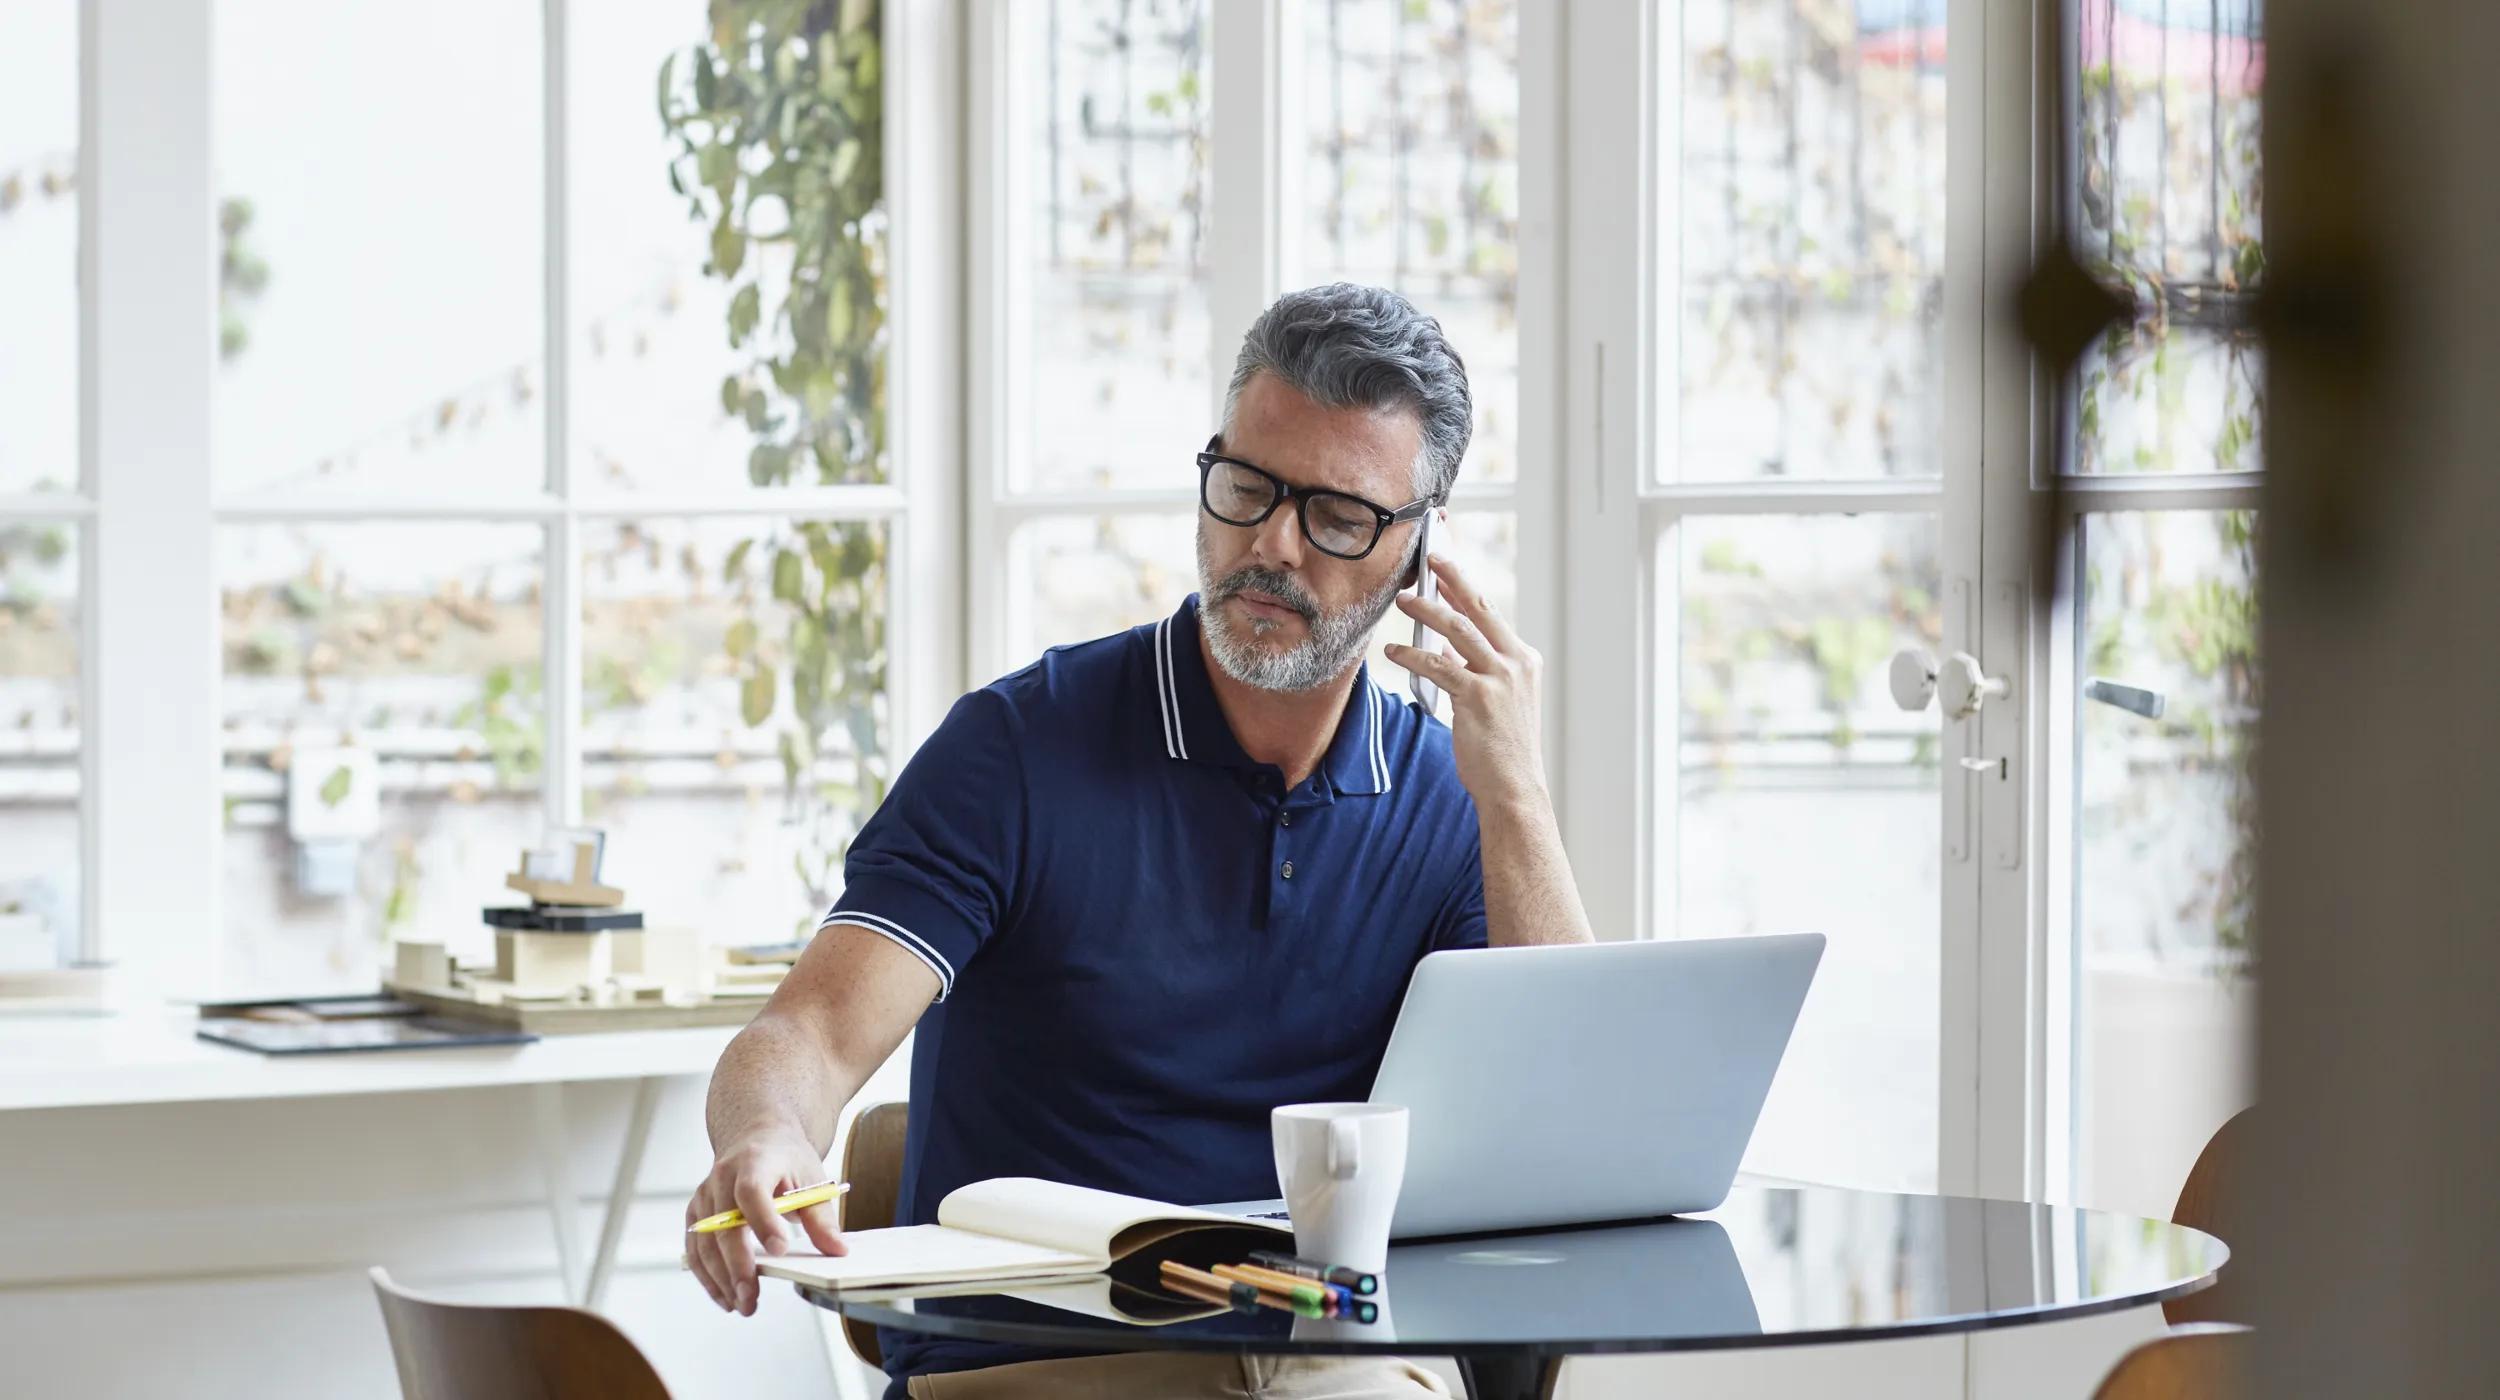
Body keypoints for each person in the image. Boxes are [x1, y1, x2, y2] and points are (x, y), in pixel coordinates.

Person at [687, 283, 1596, 1398]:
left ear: (1419, 551)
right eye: (1247, 487)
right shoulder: (1018, 748)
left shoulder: (1450, 794)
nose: (1271, 543)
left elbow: (1565, 1134)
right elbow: (810, 1032)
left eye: (1339, 515)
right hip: (1046, 1361)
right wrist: (767, 1138)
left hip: (1328, 1352)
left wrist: (1517, 796)